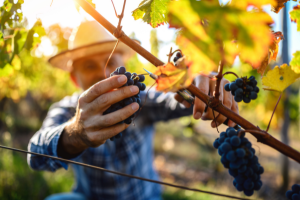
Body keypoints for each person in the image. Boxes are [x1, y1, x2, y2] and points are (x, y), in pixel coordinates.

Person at [27, 21, 239, 200]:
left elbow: (171, 100)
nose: (105, 73)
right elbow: (35, 156)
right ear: (74, 78)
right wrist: (75, 134)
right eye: (90, 66)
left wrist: (198, 88)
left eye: (111, 62)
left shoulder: (142, 100)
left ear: (124, 63)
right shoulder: (68, 110)